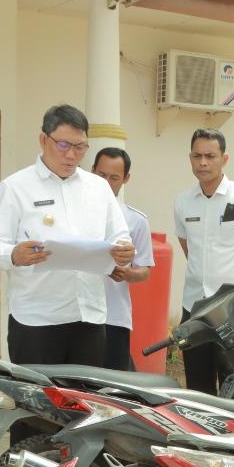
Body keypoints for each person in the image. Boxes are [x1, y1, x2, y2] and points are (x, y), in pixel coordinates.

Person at [0, 105, 133, 372]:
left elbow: (120, 236)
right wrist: (15, 254)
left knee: (85, 404)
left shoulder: (98, 188)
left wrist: (123, 252)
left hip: (89, 317)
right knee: (38, 406)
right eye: (63, 145)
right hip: (36, 320)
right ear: (43, 140)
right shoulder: (15, 188)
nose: (72, 155)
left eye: (80, 147)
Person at [173, 128, 234, 394]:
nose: (203, 162)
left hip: (231, 308)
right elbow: (188, 248)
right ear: (190, 158)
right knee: (197, 385)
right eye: (197, 155)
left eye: (210, 156)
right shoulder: (182, 202)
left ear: (224, 159)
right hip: (194, 309)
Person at [92, 147, 153, 371]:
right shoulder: (75, 216)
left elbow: (144, 270)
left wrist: (127, 274)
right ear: (91, 172)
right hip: (75, 315)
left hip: (114, 317)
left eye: (114, 177)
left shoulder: (136, 221)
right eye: (101, 175)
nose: (106, 182)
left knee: (112, 389)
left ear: (126, 179)